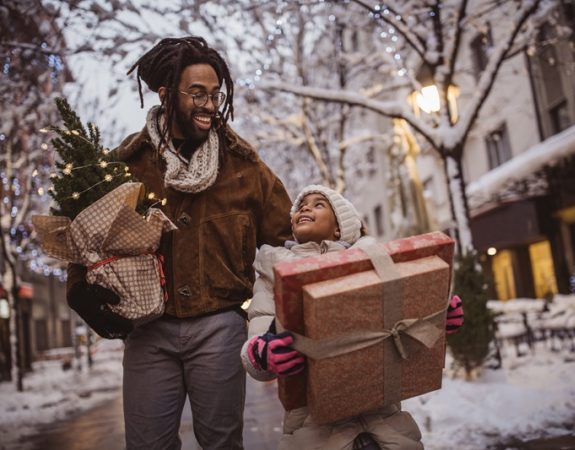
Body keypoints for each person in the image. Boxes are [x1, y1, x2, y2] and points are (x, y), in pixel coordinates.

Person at [65, 36, 293, 450]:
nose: (210, 104)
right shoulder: (125, 166)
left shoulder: (245, 168)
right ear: (166, 94)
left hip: (221, 327)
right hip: (148, 331)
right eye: (198, 93)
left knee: (222, 443)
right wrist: (77, 288)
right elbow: (85, 235)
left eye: (216, 94)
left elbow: (295, 240)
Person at [241, 184, 464, 450]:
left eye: (318, 204)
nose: (305, 208)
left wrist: (435, 320)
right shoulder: (272, 276)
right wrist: (261, 354)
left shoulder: (379, 265)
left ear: (339, 227)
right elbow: (256, 347)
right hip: (313, 431)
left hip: (386, 424)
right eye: (301, 206)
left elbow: (402, 331)